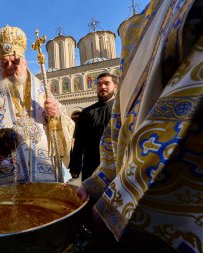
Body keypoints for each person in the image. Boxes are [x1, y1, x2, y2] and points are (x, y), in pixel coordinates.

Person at [77, 0, 203, 252]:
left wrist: (115, 207)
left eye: (106, 84)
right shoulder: (137, 30)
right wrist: (96, 183)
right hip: (118, 198)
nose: (102, 87)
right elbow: (120, 126)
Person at [0, 25, 74, 186]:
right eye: (4, 63)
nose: (9, 67)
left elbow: (68, 124)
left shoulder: (43, 92)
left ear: (24, 63)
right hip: (6, 181)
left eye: (14, 62)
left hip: (46, 177)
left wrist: (57, 117)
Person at [68, 73, 117, 180]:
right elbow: (79, 142)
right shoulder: (87, 112)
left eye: (106, 83)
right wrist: (75, 167)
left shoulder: (122, 107)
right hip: (92, 166)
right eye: (99, 84)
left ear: (115, 86)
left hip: (118, 165)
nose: (102, 87)